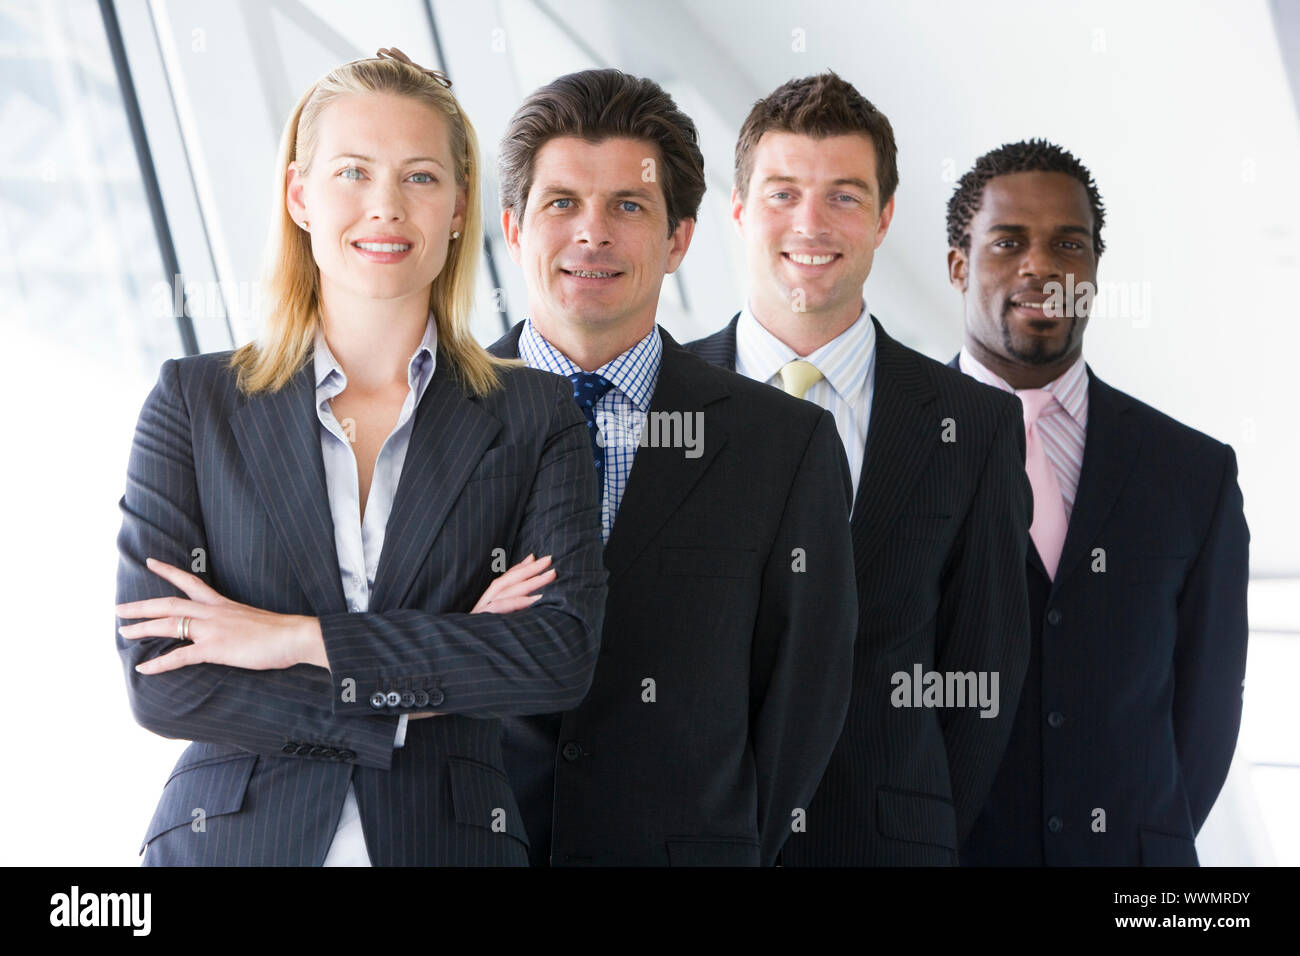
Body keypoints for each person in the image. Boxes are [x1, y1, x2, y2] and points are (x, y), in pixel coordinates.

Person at [114, 48, 606, 866]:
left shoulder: (534, 414)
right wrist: (435, 672)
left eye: (420, 177)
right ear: (300, 196)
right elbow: (164, 676)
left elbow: (555, 660)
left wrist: (298, 639)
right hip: (231, 844)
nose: (385, 207)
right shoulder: (194, 405)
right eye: (352, 172)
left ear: (457, 209)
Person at [491, 69, 858, 866]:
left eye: (629, 206)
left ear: (679, 240)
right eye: (562, 204)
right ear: (514, 228)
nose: (593, 234)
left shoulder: (784, 447)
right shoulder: (424, 419)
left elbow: (805, 698)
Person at [689, 72, 1031, 865]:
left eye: (844, 196)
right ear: (738, 212)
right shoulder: (657, 404)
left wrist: (915, 822)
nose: (810, 223)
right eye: (782, 193)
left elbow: (983, 677)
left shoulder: (973, 423)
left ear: (882, 219)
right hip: (691, 839)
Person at [946, 140, 1250, 865]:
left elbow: (1205, 710)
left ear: (1093, 271)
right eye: (1009, 241)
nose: (1041, 266)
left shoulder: (1193, 473)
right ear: (960, 266)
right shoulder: (879, 444)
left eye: (1068, 244)